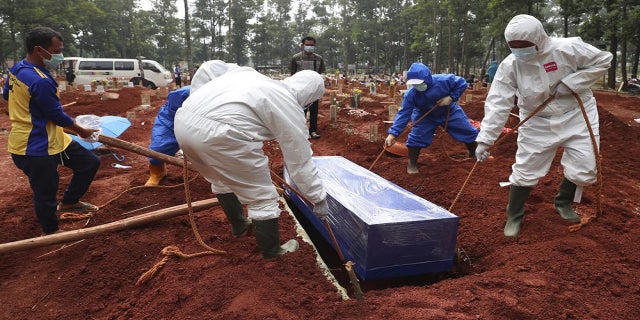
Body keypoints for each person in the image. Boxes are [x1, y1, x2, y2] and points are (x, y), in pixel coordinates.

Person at [474, 14, 613, 238]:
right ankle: (514, 214)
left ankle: (563, 201)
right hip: (536, 120)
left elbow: (603, 59)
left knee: (586, 167)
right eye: (514, 46)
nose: (519, 50)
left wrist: (572, 83)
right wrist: (485, 139)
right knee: (526, 169)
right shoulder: (510, 65)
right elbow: (498, 102)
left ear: (539, 39)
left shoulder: (567, 48)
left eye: (524, 45)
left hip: (576, 113)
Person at [174, 68, 329, 259]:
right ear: (311, 98)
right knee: (262, 196)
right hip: (223, 134)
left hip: (183, 122)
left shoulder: (253, 78)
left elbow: (210, 68)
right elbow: (299, 161)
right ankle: (273, 252)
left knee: (220, 179)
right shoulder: (287, 102)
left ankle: (239, 225)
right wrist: (318, 197)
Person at [2, 27, 101, 235]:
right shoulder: (39, 80)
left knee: (89, 162)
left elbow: (6, 96)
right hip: (34, 146)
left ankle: (70, 201)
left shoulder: (18, 69)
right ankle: (51, 232)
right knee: (45, 192)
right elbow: (57, 116)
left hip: (54, 139)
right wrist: (81, 130)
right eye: (57, 50)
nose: (60, 55)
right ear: (39, 50)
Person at [145, 60, 238, 186]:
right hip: (171, 118)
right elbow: (172, 112)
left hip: (208, 121)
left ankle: (228, 173)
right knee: (160, 146)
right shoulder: (183, 93)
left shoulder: (229, 96)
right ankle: (157, 172)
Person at [385, 62, 479, 174]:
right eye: (414, 84)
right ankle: (412, 163)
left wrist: (451, 97)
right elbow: (404, 114)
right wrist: (393, 134)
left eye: (419, 83)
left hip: (448, 111)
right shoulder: (411, 95)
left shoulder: (443, 80)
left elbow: (462, 83)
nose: (417, 86)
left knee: (466, 130)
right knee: (417, 136)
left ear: (427, 78)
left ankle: (474, 153)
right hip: (425, 116)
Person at [290, 36, 325, 139]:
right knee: (301, 111)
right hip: (300, 90)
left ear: (315, 45)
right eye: (307, 45)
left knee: (314, 110)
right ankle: (302, 131)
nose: (309, 47)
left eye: (311, 45)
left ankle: (313, 131)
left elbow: (320, 73)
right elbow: (293, 74)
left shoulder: (318, 58)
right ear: (302, 45)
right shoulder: (296, 58)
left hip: (314, 89)